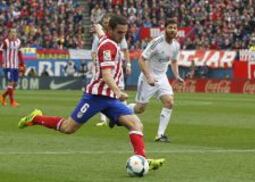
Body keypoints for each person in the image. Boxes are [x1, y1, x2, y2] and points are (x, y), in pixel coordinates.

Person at [18, 15, 165, 169]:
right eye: (120, 32)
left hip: (110, 99)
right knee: (68, 128)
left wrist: (98, 28)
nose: (123, 36)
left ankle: (141, 160)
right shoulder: (108, 47)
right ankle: (36, 118)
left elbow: (102, 35)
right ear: (111, 30)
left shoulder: (109, 40)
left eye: (125, 33)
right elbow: (106, 74)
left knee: (136, 124)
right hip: (95, 97)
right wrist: (118, 91)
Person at [128, 18, 184, 143]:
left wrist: (177, 76)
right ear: (165, 29)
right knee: (140, 109)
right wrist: (148, 76)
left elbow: (174, 61)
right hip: (148, 77)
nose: (173, 30)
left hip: (162, 77)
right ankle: (121, 109)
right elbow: (142, 60)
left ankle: (160, 135)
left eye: (175, 28)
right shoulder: (156, 42)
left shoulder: (176, 45)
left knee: (169, 102)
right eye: (170, 27)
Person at [91, 14, 132, 127]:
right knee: (104, 92)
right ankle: (109, 117)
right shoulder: (102, 39)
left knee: (117, 90)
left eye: (107, 21)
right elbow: (94, 51)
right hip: (105, 67)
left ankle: (117, 116)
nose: (106, 23)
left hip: (116, 67)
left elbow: (125, 50)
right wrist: (95, 63)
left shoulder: (118, 34)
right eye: (104, 21)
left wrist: (128, 64)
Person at [0, 28, 25, 107]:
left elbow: (19, 53)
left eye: (15, 32)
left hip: (15, 66)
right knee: (10, 83)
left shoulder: (18, 42)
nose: (14, 34)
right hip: (8, 66)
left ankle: (3, 96)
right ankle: (12, 102)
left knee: (15, 84)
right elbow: (0, 52)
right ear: (9, 34)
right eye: (12, 32)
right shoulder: (6, 42)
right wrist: (2, 62)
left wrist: (22, 64)